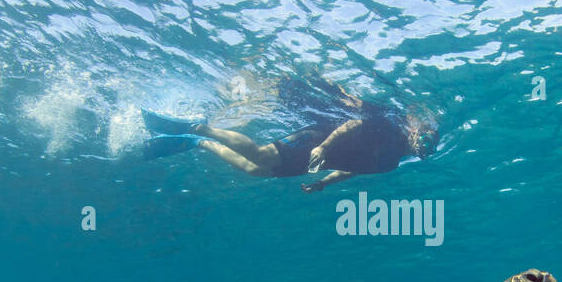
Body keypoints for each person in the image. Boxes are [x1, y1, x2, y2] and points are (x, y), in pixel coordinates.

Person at [139, 77, 438, 192]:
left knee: (253, 169)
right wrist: (324, 146)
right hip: (316, 141)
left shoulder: (391, 163)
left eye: (428, 148)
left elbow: (352, 170)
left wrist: (322, 182)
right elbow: (352, 125)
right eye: (424, 138)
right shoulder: (389, 127)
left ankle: (198, 142)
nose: (422, 147)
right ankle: (194, 126)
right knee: (260, 154)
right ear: (417, 131)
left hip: (318, 163)